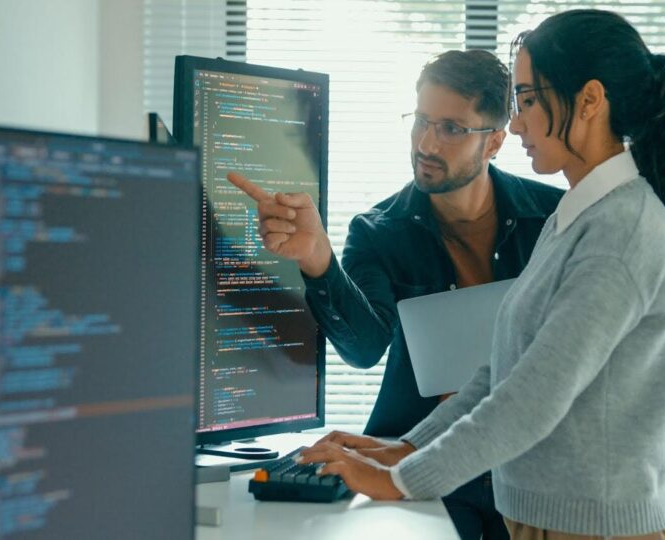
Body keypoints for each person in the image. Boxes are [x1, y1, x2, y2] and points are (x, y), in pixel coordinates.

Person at [297, 9, 665, 539]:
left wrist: (403, 481)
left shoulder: (621, 232)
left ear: (589, 101)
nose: (517, 122)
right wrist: (408, 448)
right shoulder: (576, 217)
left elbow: (533, 399)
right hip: (549, 523)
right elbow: (503, 371)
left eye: (527, 101)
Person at [227, 49, 563, 540]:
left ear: (494, 141)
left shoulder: (553, 217)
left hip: (530, 467)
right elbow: (364, 348)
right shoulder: (380, 230)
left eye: (451, 128)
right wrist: (318, 260)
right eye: (422, 121)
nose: (427, 142)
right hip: (422, 468)